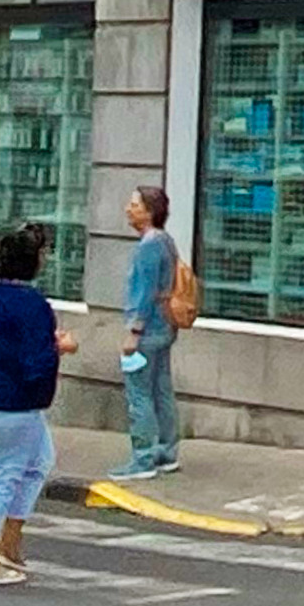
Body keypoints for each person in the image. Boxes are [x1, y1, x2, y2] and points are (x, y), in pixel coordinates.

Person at [0, 222, 75, 587]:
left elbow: (9, 343)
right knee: (4, 475)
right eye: (42, 253)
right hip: (13, 400)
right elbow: (33, 362)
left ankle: (8, 544)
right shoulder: (33, 304)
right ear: (32, 261)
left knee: (39, 462)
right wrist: (60, 346)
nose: (46, 259)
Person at [115, 186, 183, 480]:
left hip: (147, 329)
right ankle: (166, 452)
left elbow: (144, 291)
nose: (128, 209)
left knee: (139, 394)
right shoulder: (166, 241)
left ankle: (143, 457)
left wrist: (134, 330)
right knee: (161, 390)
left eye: (135, 205)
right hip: (164, 326)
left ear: (150, 211)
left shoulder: (148, 246)